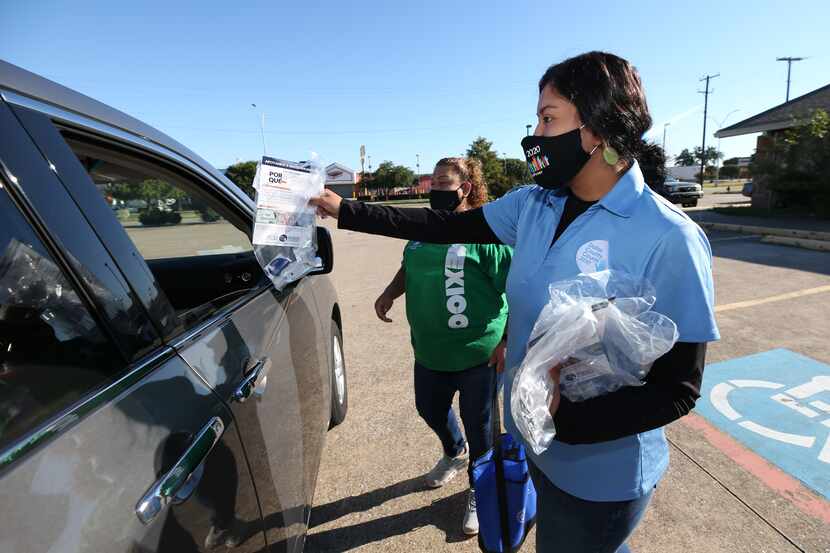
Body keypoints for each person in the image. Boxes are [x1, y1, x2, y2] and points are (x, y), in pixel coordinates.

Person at [311, 51, 719, 553]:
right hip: (536, 451)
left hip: (600, 474)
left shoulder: (669, 236)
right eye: (536, 119)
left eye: (549, 119)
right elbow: (444, 226)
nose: (536, 135)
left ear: (598, 128)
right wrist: (344, 209)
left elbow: (678, 388)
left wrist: (561, 422)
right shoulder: (533, 204)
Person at [373, 157, 512, 536]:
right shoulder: (424, 230)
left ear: (464, 188)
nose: (434, 188)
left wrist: (505, 339)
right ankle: (454, 452)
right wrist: (390, 292)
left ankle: (479, 492)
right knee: (429, 408)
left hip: (477, 354)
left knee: (481, 427)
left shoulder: (486, 233)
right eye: (432, 182)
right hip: (431, 351)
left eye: (443, 182)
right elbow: (409, 264)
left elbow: (516, 286)